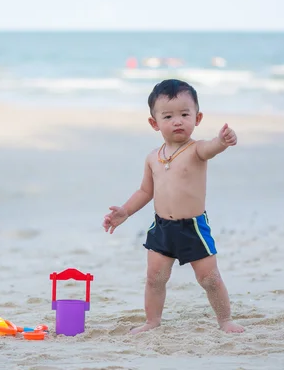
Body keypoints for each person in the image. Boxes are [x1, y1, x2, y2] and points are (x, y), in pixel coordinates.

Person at [102, 79, 244, 334]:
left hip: (192, 227)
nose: (177, 121)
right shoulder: (152, 157)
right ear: (154, 123)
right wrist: (124, 211)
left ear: (197, 117)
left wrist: (222, 141)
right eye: (168, 116)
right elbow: (146, 191)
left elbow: (212, 148)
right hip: (162, 227)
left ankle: (225, 320)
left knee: (209, 279)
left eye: (184, 114)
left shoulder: (196, 149)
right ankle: (152, 321)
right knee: (155, 279)